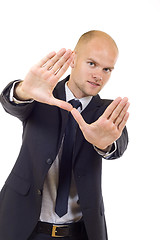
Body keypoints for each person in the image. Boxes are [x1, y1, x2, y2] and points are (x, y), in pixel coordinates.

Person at [0, 30, 129, 240]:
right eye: (92, 64)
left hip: (79, 233)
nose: (99, 75)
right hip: (23, 227)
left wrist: (105, 145)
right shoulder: (42, 94)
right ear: (74, 59)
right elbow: (12, 104)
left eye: (107, 69)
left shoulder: (108, 112)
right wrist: (23, 90)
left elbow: (119, 142)